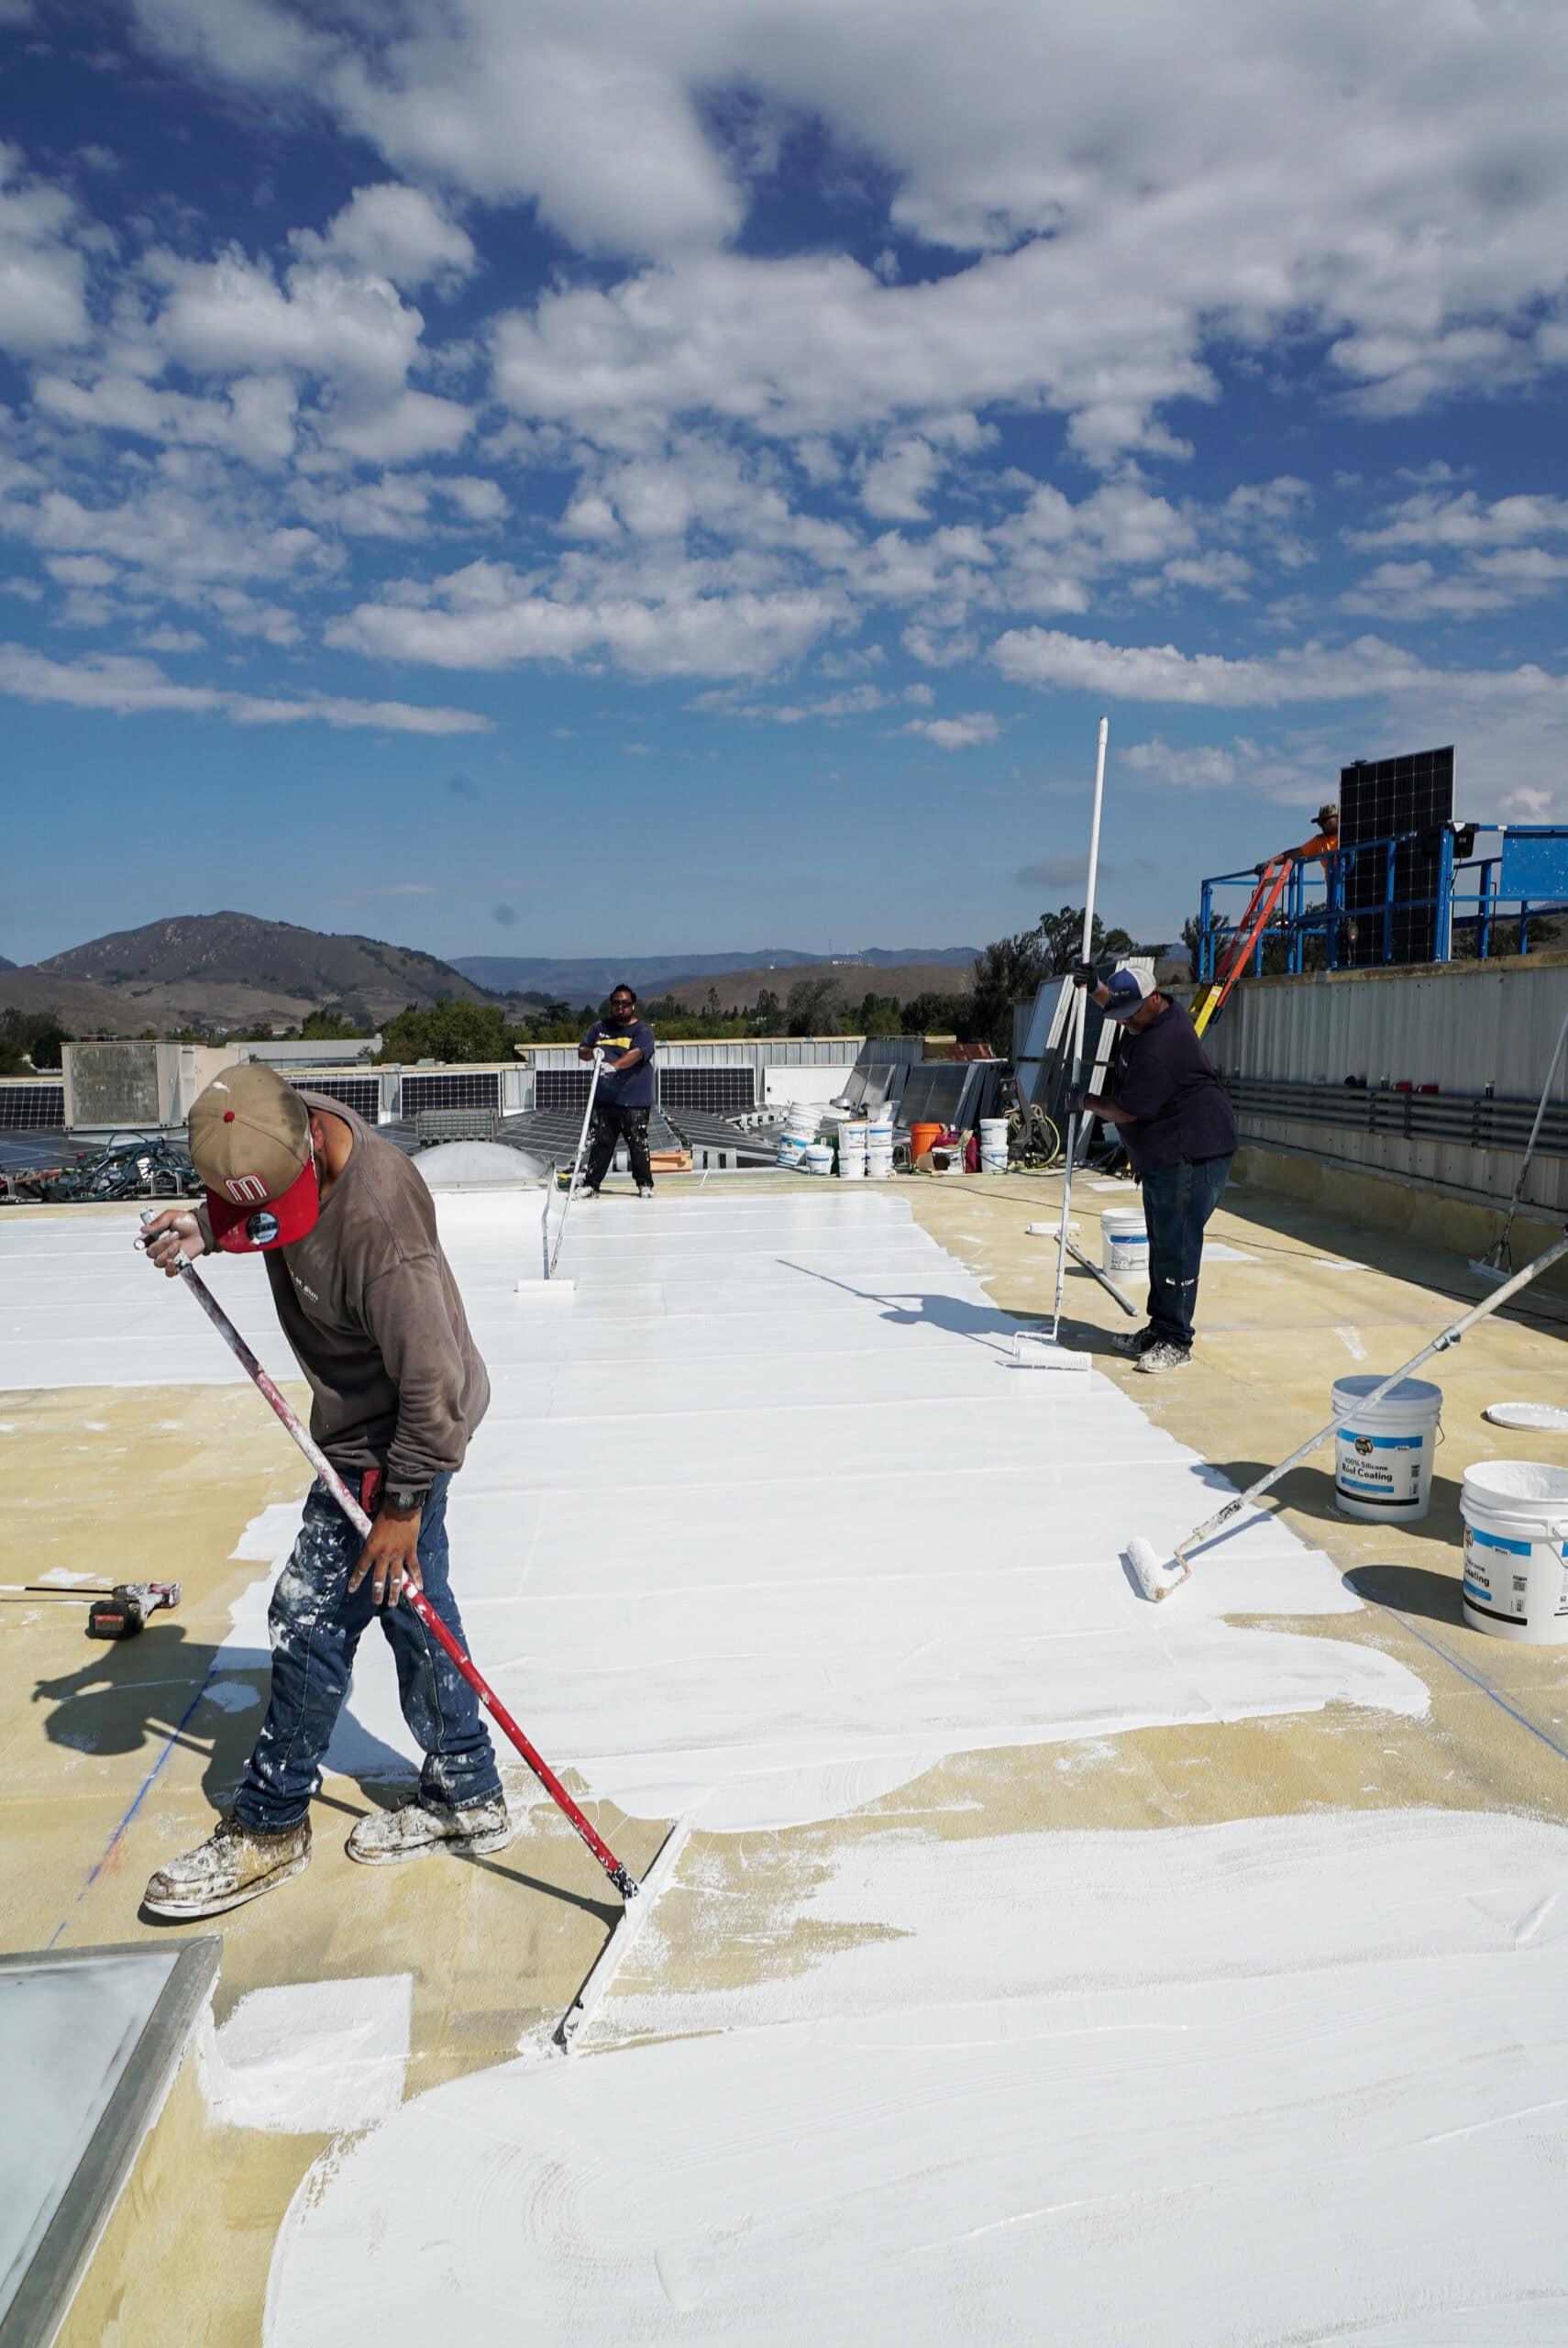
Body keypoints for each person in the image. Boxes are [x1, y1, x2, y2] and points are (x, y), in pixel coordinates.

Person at [137, 1062, 513, 1918]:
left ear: (313, 1143)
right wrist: (206, 1226)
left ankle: (271, 1823)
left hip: (399, 1435)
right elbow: (258, 1208)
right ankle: (466, 1788)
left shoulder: (380, 1226)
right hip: (364, 1427)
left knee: (310, 1617)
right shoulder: (269, 1129)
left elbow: (435, 1386)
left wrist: (402, 1506)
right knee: (411, 1609)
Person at [1070, 959, 1238, 1374]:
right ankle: (1160, 1328)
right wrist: (1096, 988)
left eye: (1130, 1015)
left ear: (1153, 999)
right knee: (1162, 1243)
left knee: (1177, 1247)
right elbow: (1120, 1003)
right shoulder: (1147, 1015)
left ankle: (1177, 1341)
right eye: (1120, 1014)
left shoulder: (1160, 1046)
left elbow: (1128, 1111)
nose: (1124, 1022)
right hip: (1167, 1152)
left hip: (1193, 1151)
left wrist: (1086, 1101)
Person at [577, 983, 657, 1198]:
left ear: (633, 1005)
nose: (620, 1008)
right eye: (616, 1004)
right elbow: (582, 1050)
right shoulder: (600, 1028)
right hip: (605, 1099)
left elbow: (637, 1054)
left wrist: (615, 1066)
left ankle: (644, 1184)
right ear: (611, 1005)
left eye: (625, 1004)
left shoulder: (642, 1031)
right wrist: (593, 1052)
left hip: (634, 1100)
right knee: (601, 1144)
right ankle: (591, 1184)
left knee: (638, 1144)